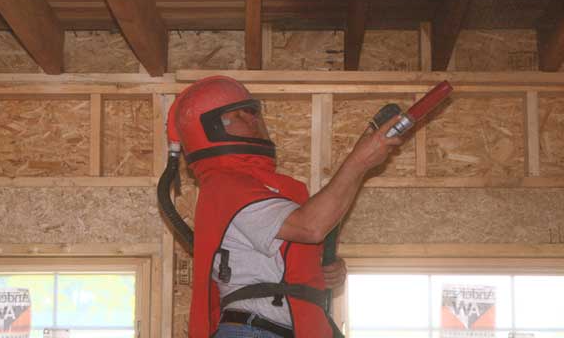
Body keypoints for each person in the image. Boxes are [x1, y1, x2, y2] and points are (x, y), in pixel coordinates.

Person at [167, 76, 403, 338]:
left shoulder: (259, 188)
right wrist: (359, 162)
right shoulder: (226, 186)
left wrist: (324, 270)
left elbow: (290, 253)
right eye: (236, 116)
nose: (252, 120)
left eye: (252, 112)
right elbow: (311, 227)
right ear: (210, 129)